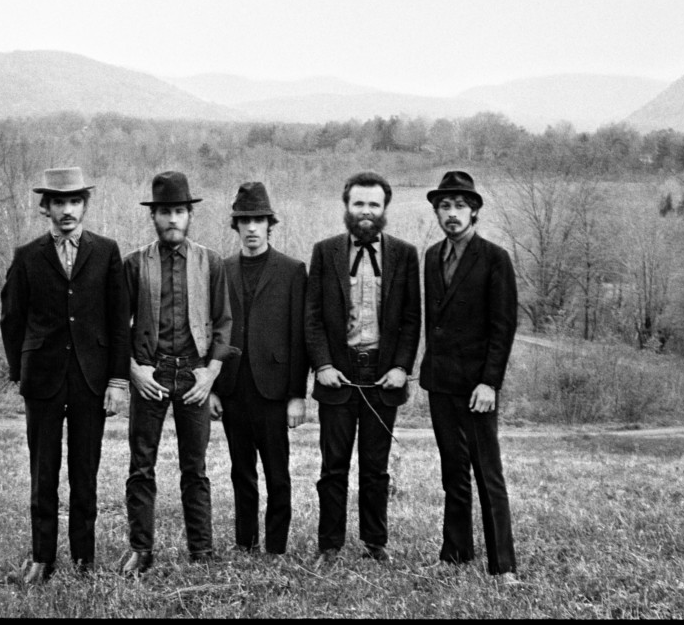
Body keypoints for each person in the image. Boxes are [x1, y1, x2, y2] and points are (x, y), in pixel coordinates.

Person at [0, 167, 130, 584]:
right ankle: (42, 558)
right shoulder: (27, 255)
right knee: (44, 472)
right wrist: (20, 370)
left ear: (84, 205)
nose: (68, 210)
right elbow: (12, 318)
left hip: (92, 379)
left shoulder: (106, 252)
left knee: (84, 472)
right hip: (43, 379)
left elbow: (119, 321)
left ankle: (84, 559)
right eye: (59, 202)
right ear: (46, 208)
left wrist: (117, 380)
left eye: (75, 201)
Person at [118, 171, 237, 576]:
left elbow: (223, 323)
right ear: (153, 216)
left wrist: (210, 374)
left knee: (195, 468)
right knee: (141, 466)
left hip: (193, 376)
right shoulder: (134, 263)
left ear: (190, 215)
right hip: (150, 374)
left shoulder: (210, 262)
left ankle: (201, 550)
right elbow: (117, 326)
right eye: (165, 212)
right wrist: (134, 371)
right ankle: (141, 550)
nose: (172, 219)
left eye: (180, 211)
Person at [305, 170, 421, 566]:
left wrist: (402, 367)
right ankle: (329, 545)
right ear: (347, 207)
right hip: (337, 375)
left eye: (374, 204)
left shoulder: (404, 254)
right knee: (333, 467)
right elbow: (313, 317)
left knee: (376, 467)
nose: (366, 211)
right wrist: (322, 364)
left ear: (385, 208)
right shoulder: (325, 252)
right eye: (359, 203)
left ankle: (375, 542)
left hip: (382, 377)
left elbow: (411, 319)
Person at [419, 170, 520, 586]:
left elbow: (503, 326)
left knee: (487, 474)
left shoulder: (495, 258)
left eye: (460, 205)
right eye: (445, 206)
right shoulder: (431, 257)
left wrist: (489, 383)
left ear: (474, 211)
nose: (452, 213)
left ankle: (503, 566)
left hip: (477, 387)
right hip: (440, 382)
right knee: (453, 472)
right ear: (437, 212)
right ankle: (455, 553)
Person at [211, 182, 309, 558]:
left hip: (274, 390)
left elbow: (299, 337)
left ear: (270, 224)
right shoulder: (222, 269)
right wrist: (213, 387)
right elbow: (210, 330)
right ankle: (246, 542)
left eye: (259, 220)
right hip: (233, 387)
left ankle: (276, 547)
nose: (252, 227)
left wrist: (297, 395)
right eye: (244, 220)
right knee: (241, 471)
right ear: (235, 225)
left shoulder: (292, 271)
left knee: (277, 473)